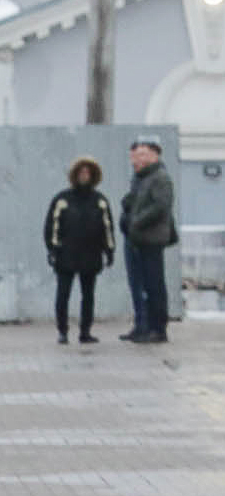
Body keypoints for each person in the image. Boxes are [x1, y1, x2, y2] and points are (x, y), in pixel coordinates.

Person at [42, 155, 116, 344]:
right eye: (81, 172)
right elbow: (52, 226)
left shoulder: (100, 201)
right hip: (66, 255)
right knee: (63, 294)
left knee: (88, 295)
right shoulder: (62, 199)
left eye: (88, 172)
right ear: (75, 175)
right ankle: (62, 331)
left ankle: (85, 331)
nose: (85, 176)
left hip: (91, 254)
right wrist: (52, 249)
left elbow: (107, 227)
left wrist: (109, 250)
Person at [120, 135, 177, 344]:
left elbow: (161, 206)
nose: (138, 159)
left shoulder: (160, 177)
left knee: (154, 285)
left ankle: (158, 328)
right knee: (141, 284)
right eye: (136, 155)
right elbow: (137, 202)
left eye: (143, 154)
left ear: (155, 155)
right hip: (138, 239)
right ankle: (143, 326)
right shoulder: (141, 178)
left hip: (151, 239)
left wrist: (137, 221)